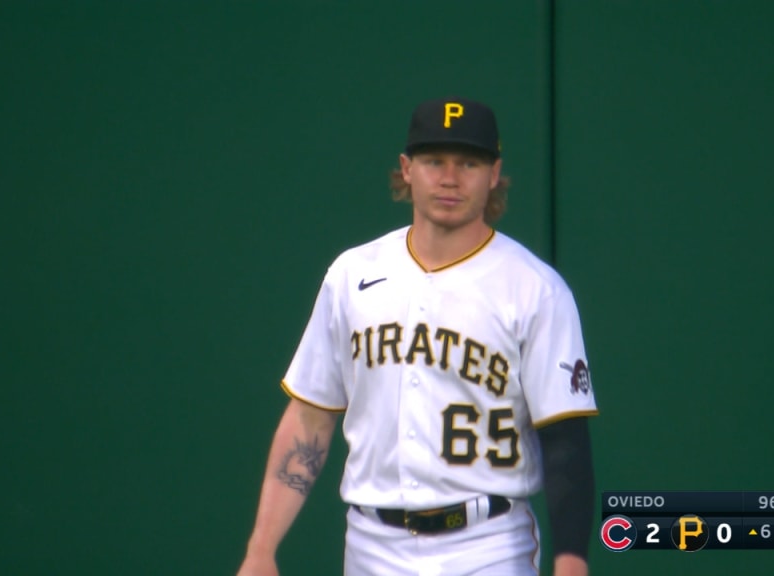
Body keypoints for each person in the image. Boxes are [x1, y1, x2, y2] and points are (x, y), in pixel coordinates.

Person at [238, 97, 599, 576]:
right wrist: (261, 550)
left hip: (488, 547)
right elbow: (310, 417)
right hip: (371, 546)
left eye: (468, 163)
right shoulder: (352, 275)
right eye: (434, 162)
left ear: (494, 174)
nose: (450, 178)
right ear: (406, 169)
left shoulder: (534, 289)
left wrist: (571, 563)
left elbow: (565, 441)